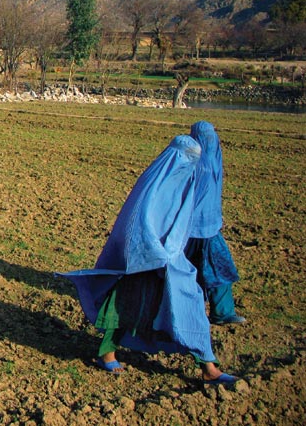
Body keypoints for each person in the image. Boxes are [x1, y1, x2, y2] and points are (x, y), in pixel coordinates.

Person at [59, 135, 237, 384]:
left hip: (173, 263)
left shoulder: (187, 181)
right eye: (187, 158)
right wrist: (151, 252)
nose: (190, 164)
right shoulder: (154, 184)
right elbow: (135, 223)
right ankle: (106, 353)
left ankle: (209, 367)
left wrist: (172, 255)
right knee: (122, 306)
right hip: (142, 260)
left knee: (191, 308)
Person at [185, 121, 245, 325]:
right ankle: (218, 312)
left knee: (192, 271)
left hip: (203, 227)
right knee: (217, 269)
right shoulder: (209, 161)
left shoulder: (193, 158)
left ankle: (216, 312)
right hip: (195, 229)